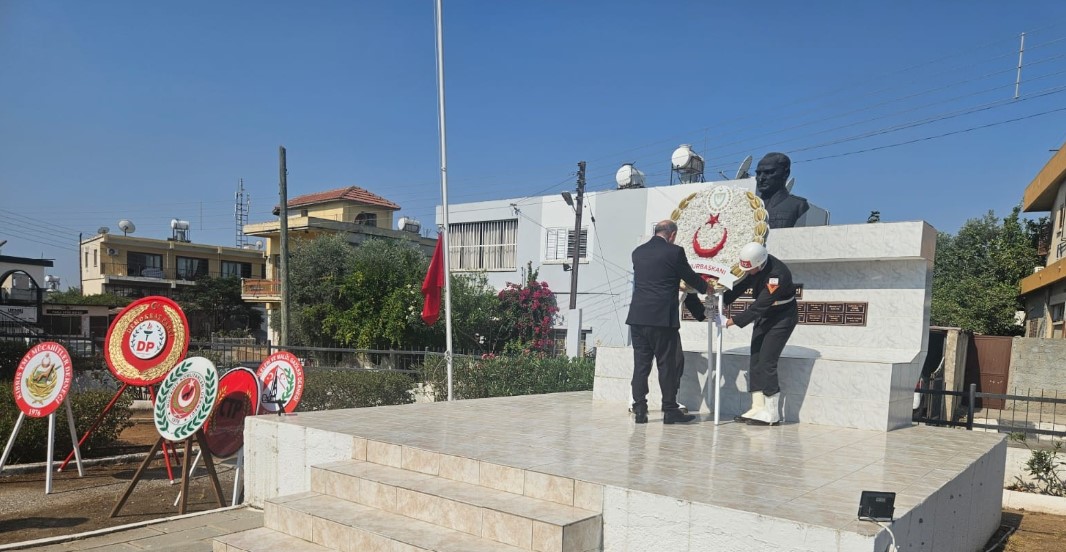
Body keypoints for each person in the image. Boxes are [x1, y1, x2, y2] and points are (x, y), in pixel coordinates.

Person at [626, 220, 709, 424]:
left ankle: (640, 409)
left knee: (641, 365)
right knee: (667, 365)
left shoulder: (638, 253)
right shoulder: (674, 252)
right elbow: (689, 277)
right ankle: (670, 410)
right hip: (662, 318)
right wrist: (707, 288)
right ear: (672, 235)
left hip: (638, 317)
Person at [716, 242, 797, 426]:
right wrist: (723, 300)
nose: (748, 272)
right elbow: (741, 284)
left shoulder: (777, 275)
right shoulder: (754, 266)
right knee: (756, 358)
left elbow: (759, 305)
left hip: (782, 317)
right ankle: (757, 406)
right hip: (765, 315)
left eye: (751, 269)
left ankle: (772, 413)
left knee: (767, 361)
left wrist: (730, 322)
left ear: (760, 264)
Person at [756, 152, 809, 229]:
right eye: (758, 173)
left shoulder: (799, 205)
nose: (761, 178)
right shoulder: (750, 206)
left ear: (785, 173)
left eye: (769, 172)